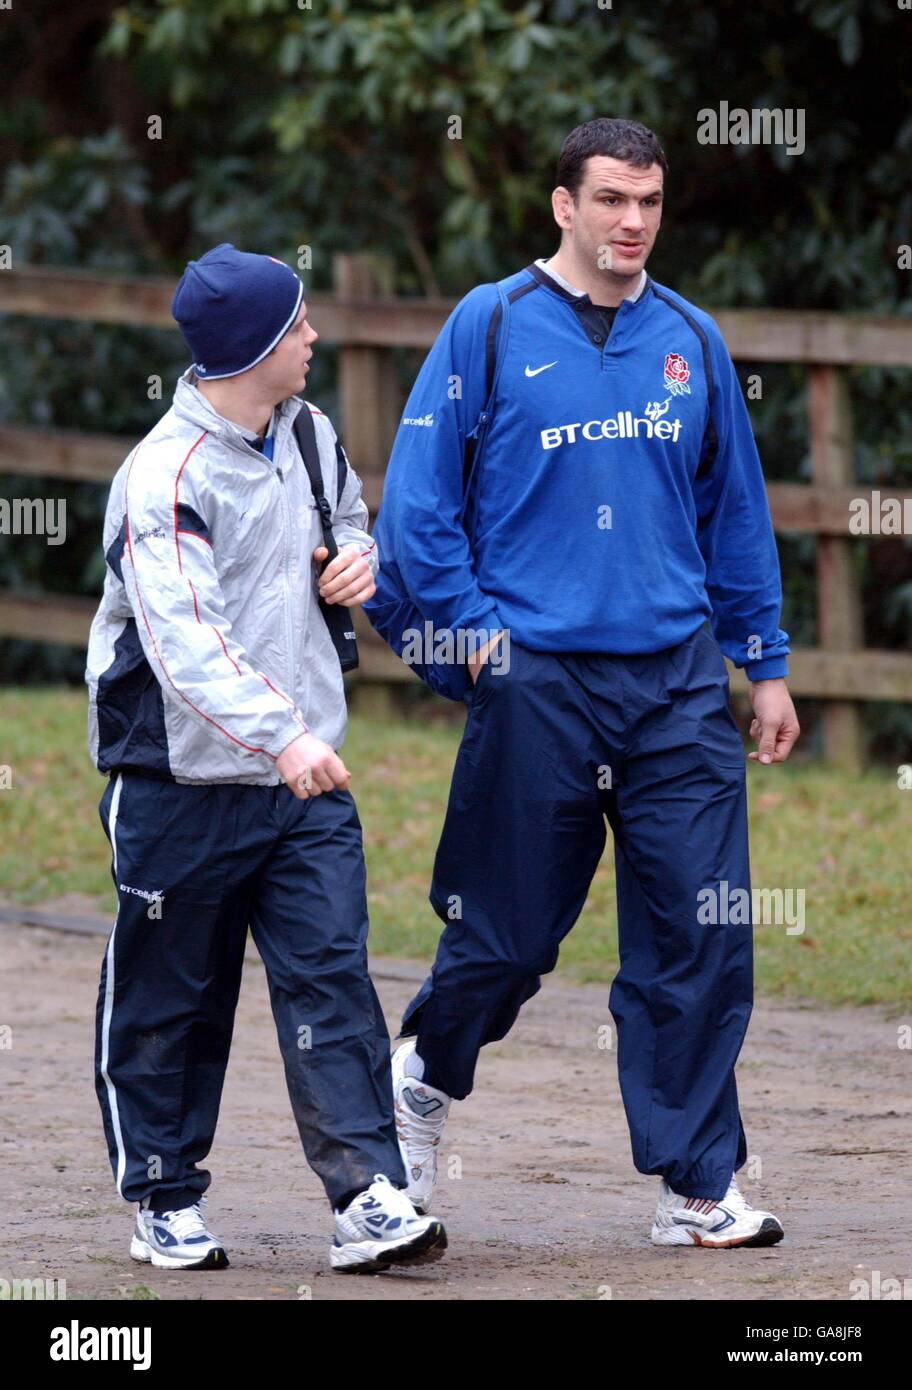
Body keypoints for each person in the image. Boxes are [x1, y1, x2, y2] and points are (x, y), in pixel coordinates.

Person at [369, 119, 800, 1249]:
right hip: (538, 681)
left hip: (672, 689)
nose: (632, 222)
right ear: (563, 206)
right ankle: (422, 1073)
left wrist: (765, 666)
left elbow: (735, 513)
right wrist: (477, 643)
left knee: (703, 937)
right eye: (611, 199)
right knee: (505, 939)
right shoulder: (490, 325)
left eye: (649, 203)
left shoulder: (693, 341)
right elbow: (418, 511)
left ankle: (697, 1182)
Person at [85, 242, 446, 1274]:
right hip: (178, 782)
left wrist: (357, 558)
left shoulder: (313, 432)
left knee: (332, 977)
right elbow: (184, 641)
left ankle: (369, 1195)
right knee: (174, 997)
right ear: (250, 347)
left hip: (302, 778)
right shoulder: (164, 478)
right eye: (297, 326)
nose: (315, 337)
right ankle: (162, 1193)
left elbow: (343, 522)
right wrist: (280, 734)